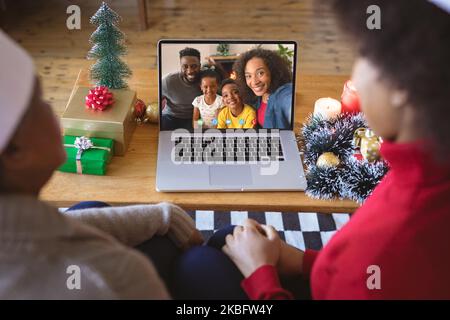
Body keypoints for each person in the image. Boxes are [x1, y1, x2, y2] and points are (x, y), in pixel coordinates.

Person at [173, 0, 450, 299]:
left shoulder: (387, 245)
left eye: (364, 54)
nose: (354, 78)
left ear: (403, 83)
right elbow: (353, 270)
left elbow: (365, 271)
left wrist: (261, 273)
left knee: (194, 263)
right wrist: (302, 260)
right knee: (226, 237)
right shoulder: (427, 171)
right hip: (327, 277)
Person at [0, 30, 203, 299]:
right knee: (202, 260)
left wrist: (165, 214)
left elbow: (59, 224)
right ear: (14, 151)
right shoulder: (116, 279)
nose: (53, 109)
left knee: (89, 207)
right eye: (39, 102)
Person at [233, 48, 293, 129]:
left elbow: (289, 100)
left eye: (260, 73)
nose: (254, 82)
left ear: (272, 71)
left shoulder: (283, 93)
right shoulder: (256, 99)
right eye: (248, 76)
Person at [161, 47, 203, 130]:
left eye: (194, 66)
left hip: (194, 118)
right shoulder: (168, 81)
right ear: (181, 67)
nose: (190, 71)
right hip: (171, 117)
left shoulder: (205, 80)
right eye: (185, 66)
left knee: (201, 132)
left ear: (200, 66)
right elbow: (157, 101)